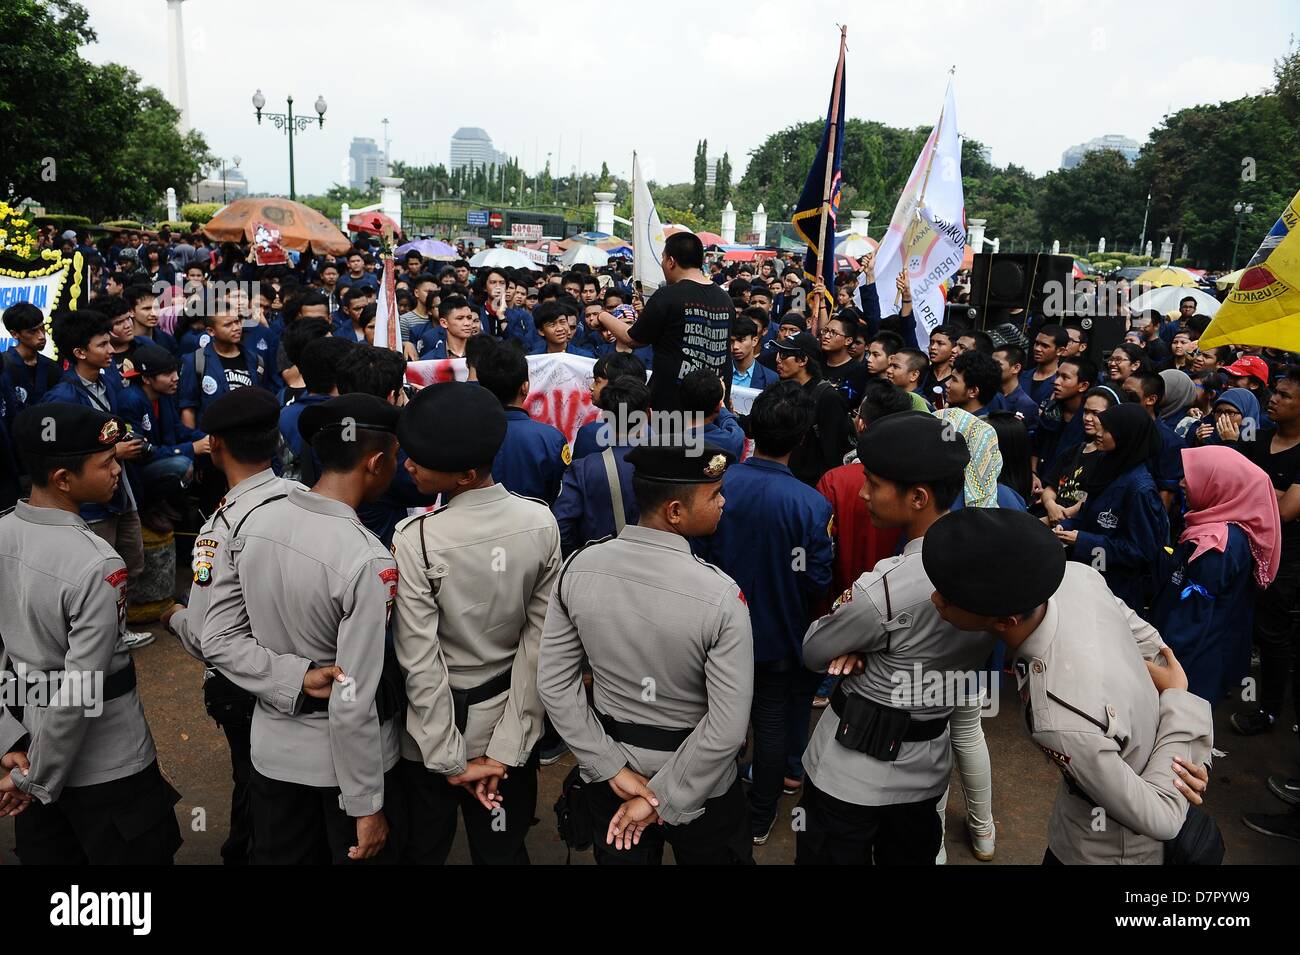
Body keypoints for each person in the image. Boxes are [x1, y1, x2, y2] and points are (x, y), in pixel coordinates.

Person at [923, 507, 1213, 864]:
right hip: (1097, 802)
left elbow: (1163, 815)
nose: (936, 600)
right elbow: (1155, 653)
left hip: (1104, 852)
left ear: (1005, 621)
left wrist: (1179, 705)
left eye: (949, 598)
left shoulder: (1060, 715)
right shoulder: (1078, 578)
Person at [200, 393, 406, 865]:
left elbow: (216, 638)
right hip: (344, 771)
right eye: (396, 458)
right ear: (376, 462)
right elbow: (352, 699)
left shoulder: (253, 520)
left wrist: (291, 676)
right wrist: (366, 805)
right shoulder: (368, 559)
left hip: (273, 753)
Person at [537, 442, 754, 865]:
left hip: (613, 779)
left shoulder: (579, 568)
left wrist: (610, 768)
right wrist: (663, 799)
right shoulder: (721, 596)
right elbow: (727, 729)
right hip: (703, 786)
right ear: (675, 511)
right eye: (714, 494)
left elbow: (555, 685)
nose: (723, 502)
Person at [797, 412, 996, 865]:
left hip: (849, 778)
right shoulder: (989, 565)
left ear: (919, 497)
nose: (863, 493)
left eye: (873, 482)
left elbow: (813, 651)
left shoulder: (887, 588)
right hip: (924, 774)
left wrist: (858, 638)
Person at [0, 403, 182, 863]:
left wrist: (8, 742)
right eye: (107, 463)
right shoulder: (97, 563)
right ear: (64, 478)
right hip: (106, 764)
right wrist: (35, 777)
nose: (117, 470)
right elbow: (82, 687)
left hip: (25, 743)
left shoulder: (3, 530)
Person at [391, 381, 562, 864]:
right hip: (507, 716)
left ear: (464, 475)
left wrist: (447, 759)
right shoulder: (540, 522)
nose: (408, 465)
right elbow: (539, 645)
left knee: (424, 846)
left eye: (420, 459)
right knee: (503, 848)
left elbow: (419, 660)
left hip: (429, 731)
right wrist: (506, 750)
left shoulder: (416, 539)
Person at [158, 387, 294, 865]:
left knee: (254, 784)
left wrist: (175, 618)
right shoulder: (303, 499)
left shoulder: (223, 527)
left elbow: (207, 636)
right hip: (303, 674)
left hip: (246, 686)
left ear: (214, 445)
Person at [696, 382, 833, 844]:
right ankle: (758, 816)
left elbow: (697, 551)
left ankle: (708, 801)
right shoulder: (811, 504)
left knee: (710, 717)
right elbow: (817, 579)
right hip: (776, 636)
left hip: (712, 631)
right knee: (771, 724)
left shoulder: (720, 483)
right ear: (800, 440)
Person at [41, 308, 153, 649]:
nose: (111, 349)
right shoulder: (62, 398)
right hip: (91, 504)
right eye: (103, 344)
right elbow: (56, 454)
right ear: (79, 352)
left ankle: (117, 630)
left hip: (120, 492)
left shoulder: (108, 382)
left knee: (130, 563)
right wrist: (113, 452)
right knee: (97, 572)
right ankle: (97, 639)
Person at [1149, 445, 1280, 704]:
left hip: (1191, 664)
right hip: (1207, 657)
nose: (1183, 483)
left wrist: (1163, 660)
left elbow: (1192, 616)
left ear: (1219, 485)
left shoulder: (1214, 544)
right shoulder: (1229, 528)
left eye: (1194, 476)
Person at [593, 232, 735, 413]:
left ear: (671, 261)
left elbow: (633, 339)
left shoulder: (667, 296)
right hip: (711, 409)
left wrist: (603, 317)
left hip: (671, 410)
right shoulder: (725, 299)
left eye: (663, 258)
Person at [1232, 367, 1300, 741]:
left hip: (1284, 558)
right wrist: (1270, 492)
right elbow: (1231, 483)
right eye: (1275, 392)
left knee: (1271, 634)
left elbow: (1288, 512)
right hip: (1242, 546)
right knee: (1240, 621)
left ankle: (1269, 709)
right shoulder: (1256, 437)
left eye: (1285, 395)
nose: (1273, 399)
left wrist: (1254, 490)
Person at [1054, 403, 1169, 616]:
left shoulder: (1140, 489)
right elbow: (1089, 514)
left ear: (1126, 436)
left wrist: (1083, 541)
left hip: (1117, 592)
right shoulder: (1108, 465)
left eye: (1107, 430)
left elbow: (1141, 552)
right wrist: (1064, 527)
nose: (1098, 433)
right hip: (1088, 577)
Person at [552, 376, 648, 556]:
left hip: (597, 564)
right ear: (647, 415)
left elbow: (561, 525)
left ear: (605, 417)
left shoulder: (583, 469)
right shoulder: (667, 464)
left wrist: (581, 558)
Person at [116, 344, 206, 527]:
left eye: (175, 371)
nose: (176, 378)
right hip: (138, 472)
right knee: (182, 464)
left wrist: (207, 438)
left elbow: (178, 430)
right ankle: (148, 507)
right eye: (168, 374)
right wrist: (191, 448)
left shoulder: (163, 395)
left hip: (159, 458)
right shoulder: (131, 400)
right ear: (147, 379)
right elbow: (139, 452)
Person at [478, 343, 570, 504]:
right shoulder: (550, 439)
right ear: (525, 387)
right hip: (535, 525)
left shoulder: (464, 434)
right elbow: (561, 497)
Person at [774, 331, 852, 486]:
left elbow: (833, 454)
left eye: (784, 355)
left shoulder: (828, 398)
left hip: (810, 488)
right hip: (782, 479)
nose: (777, 359)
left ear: (803, 360)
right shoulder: (782, 390)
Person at [178, 303, 269, 430]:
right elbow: (188, 408)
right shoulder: (195, 361)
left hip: (248, 438)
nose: (236, 327)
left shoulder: (255, 360)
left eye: (237, 322)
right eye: (228, 325)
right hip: (213, 440)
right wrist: (194, 443)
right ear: (211, 331)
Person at [572, 352, 647, 461]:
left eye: (597, 382)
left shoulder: (591, 434)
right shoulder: (651, 431)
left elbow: (578, 473)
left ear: (618, 385)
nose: (591, 387)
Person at [1033, 356, 1099, 479]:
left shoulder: (1090, 421)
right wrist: (1033, 474)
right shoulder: (1051, 411)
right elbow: (1036, 447)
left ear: (1083, 386)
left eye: (1065, 378)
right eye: (1057, 375)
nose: (1056, 382)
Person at [2, 302, 60, 410]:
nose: (41, 336)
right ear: (15, 334)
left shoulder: (52, 368)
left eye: (42, 328)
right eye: (33, 331)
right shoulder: (4, 366)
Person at [680, 367, 745, 461]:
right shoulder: (731, 441)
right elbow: (735, 430)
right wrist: (722, 406)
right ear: (717, 407)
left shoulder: (663, 440)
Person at [989, 344, 1040, 429]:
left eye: (997, 364)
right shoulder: (986, 392)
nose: (991, 367)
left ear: (1016, 368)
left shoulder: (1026, 405)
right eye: (991, 363)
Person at [1020, 326, 1067, 407]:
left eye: (1045, 346)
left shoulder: (1061, 384)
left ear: (1060, 351)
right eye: (1036, 343)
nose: (1037, 349)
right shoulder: (1020, 376)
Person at [946, 350, 1002, 418]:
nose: (947, 383)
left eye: (954, 379)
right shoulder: (954, 414)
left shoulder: (979, 426)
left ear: (973, 391)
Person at [730, 315, 778, 391]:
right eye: (731, 341)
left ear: (754, 341)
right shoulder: (719, 373)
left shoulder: (770, 378)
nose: (735, 346)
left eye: (741, 340)